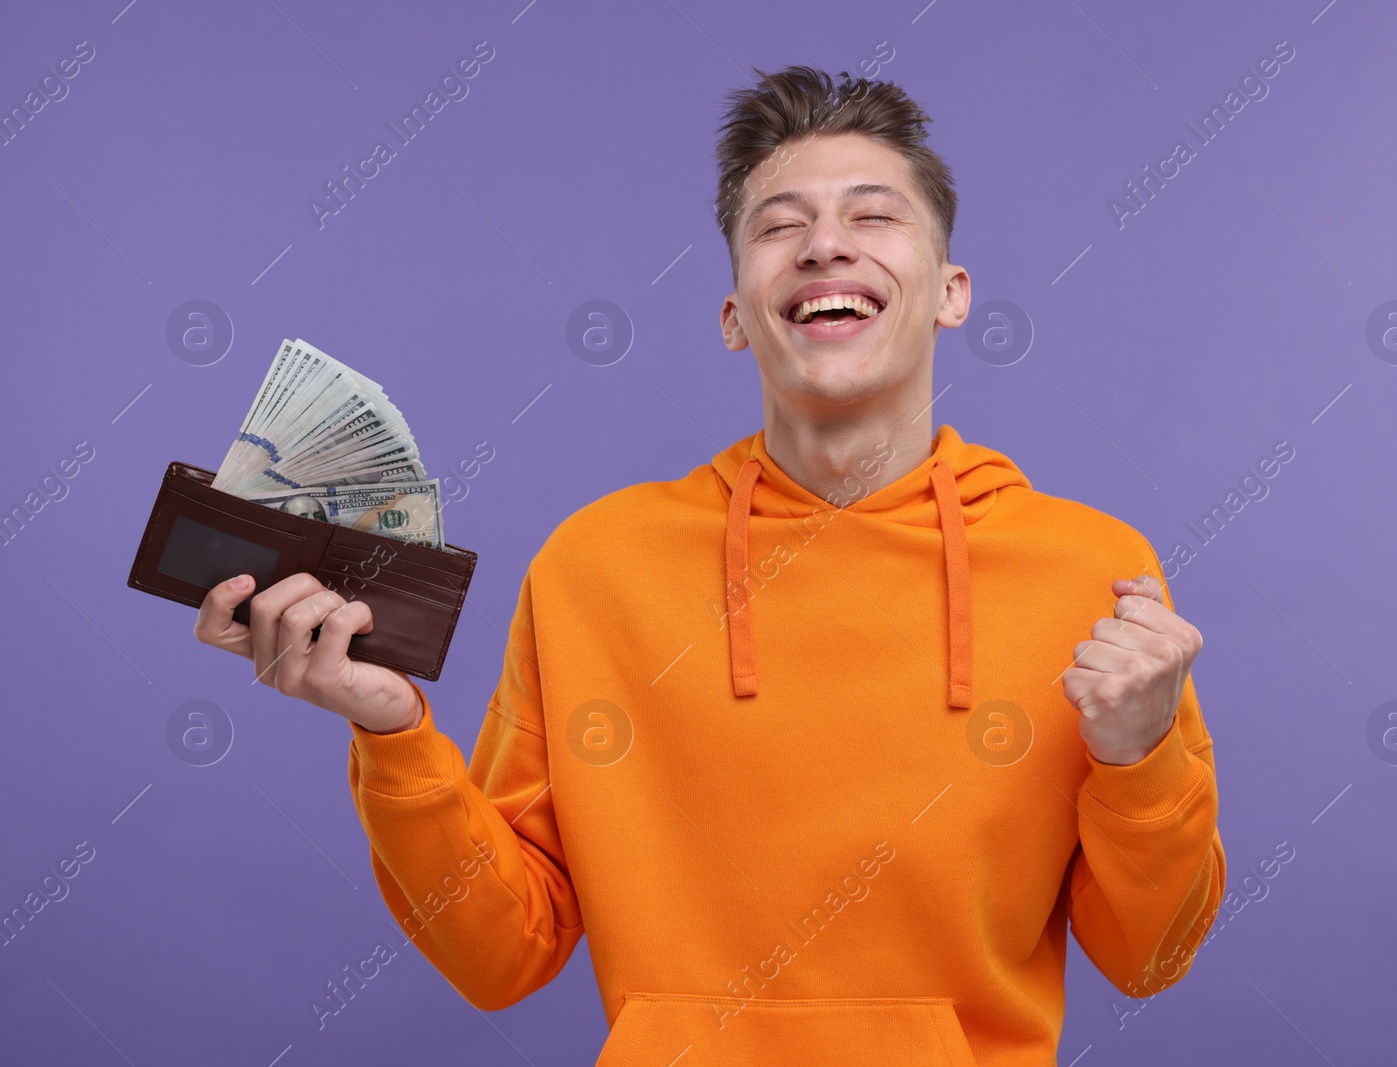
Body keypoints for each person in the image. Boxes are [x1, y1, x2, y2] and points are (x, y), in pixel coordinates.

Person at [194, 65, 1223, 1065]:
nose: (823, 244)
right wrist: (395, 732)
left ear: (952, 293)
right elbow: (503, 953)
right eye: (778, 225)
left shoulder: (1093, 569)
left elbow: (1150, 958)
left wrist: (1140, 759)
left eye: (872, 216)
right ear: (735, 315)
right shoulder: (594, 564)